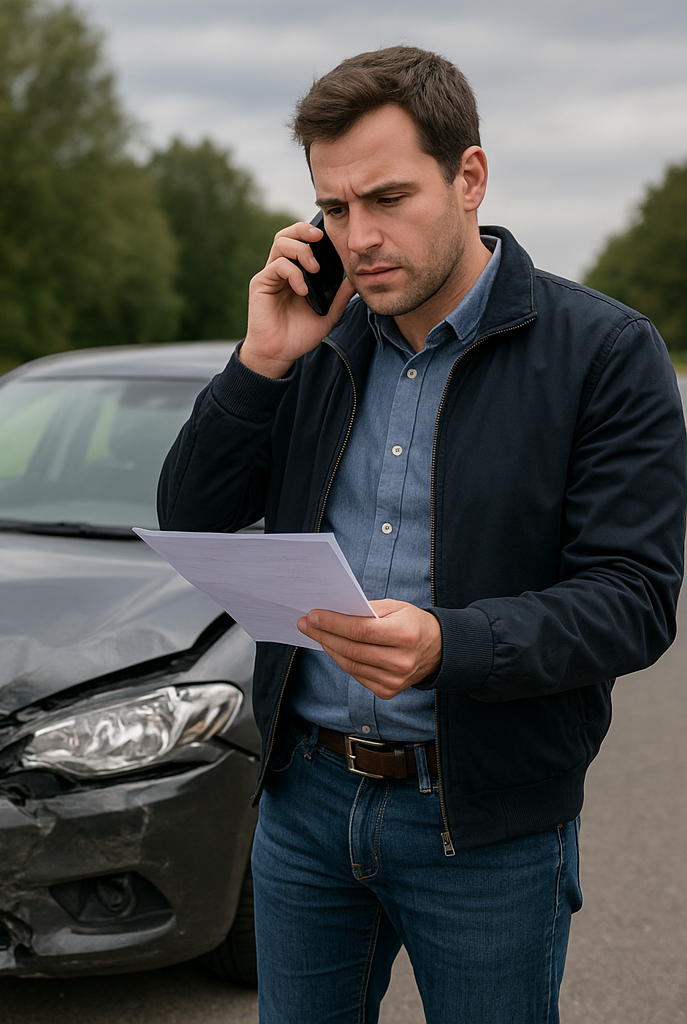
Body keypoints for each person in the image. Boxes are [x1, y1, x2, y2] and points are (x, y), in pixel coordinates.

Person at [157, 45, 687, 1023]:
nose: (358, 237)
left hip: (485, 820)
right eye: (333, 207)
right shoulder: (316, 345)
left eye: (388, 198)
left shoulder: (605, 353)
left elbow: (632, 600)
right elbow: (190, 512)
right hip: (305, 802)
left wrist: (450, 644)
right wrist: (261, 360)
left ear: (468, 177)